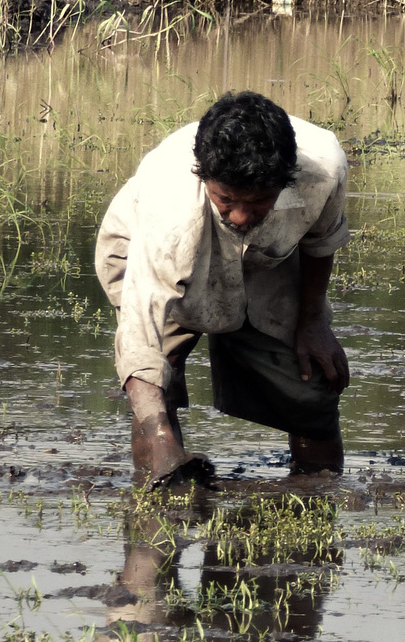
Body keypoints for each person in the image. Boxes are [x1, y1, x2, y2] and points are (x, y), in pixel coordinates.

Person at [95, 91, 352, 487]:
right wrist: (162, 440)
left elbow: (320, 240)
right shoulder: (169, 208)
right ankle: (159, 491)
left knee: (310, 391)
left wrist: (313, 319)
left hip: (266, 260)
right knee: (158, 384)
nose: (241, 216)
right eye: (226, 199)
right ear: (203, 176)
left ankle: (315, 498)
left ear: (286, 181)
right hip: (159, 258)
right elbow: (139, 336)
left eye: (259, 201)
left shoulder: (322, 169)